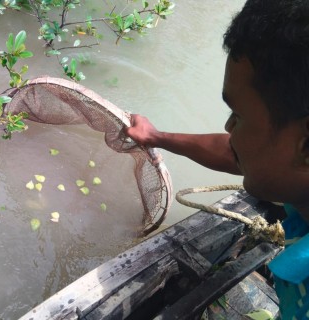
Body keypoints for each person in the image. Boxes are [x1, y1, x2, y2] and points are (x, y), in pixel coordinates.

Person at [125, 0, 309, 319]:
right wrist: (156, 137)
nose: (228, 128)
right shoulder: (293, 168)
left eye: (237, 115)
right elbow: (236, 152)